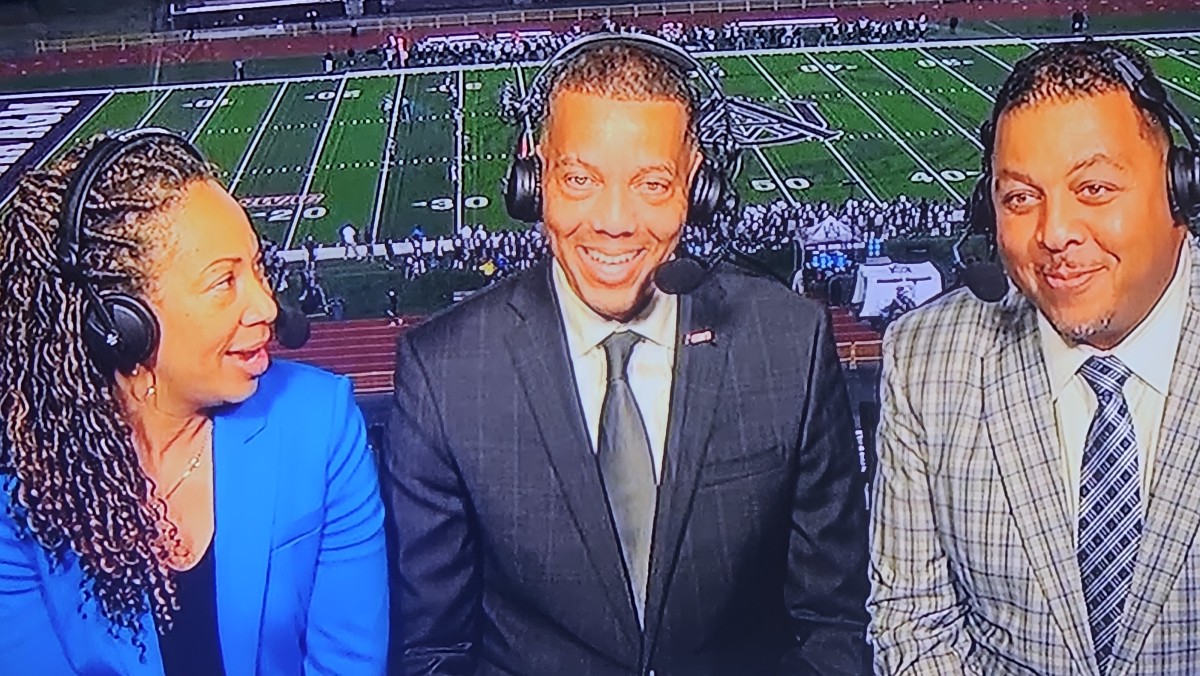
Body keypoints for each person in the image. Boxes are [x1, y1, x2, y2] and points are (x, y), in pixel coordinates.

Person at [384, 34, 870, 675]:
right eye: (580, 179)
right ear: (533, 178)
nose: (614, 221)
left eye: (651, 183)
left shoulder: (789, 341)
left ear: (697, 185)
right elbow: (434, 651)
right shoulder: (444, 371)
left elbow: (832, 622)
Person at [0, 129, 387, 674]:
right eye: (223, 282)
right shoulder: (23, 484)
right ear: (121, 323)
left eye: (258, 269)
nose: (266, 307)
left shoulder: (319, 424)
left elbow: (349, 661)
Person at [869, 42, 1200, 674]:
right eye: (1021, 198)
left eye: (1094, 189)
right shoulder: (926, 357)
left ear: (1181, 193)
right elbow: (911, 623)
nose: (1054, 233)